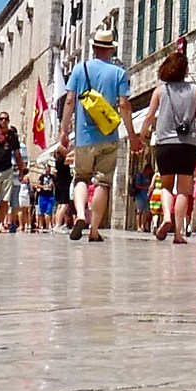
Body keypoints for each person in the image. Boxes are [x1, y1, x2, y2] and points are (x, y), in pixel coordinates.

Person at [60, 24, 132, 240]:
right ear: (110, 49)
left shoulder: (79, 69)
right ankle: (93, 231)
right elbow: (124, 106)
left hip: (83, 137)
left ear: (93, 48)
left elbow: (70, 100)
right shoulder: (118, 73)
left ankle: (81, 214)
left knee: (81, 177)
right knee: (103, 182)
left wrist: (64, 130)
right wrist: (133, 135)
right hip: (108, 135)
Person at [146, 47, 196, 244]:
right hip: (189, 145)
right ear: (185, 70)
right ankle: (178, 234)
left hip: (165, 144)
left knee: (166, 186)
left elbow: (149, 116)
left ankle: (167, 218)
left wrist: (141, 136)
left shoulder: (160, 91)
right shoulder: (195, 91)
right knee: (184, 190)